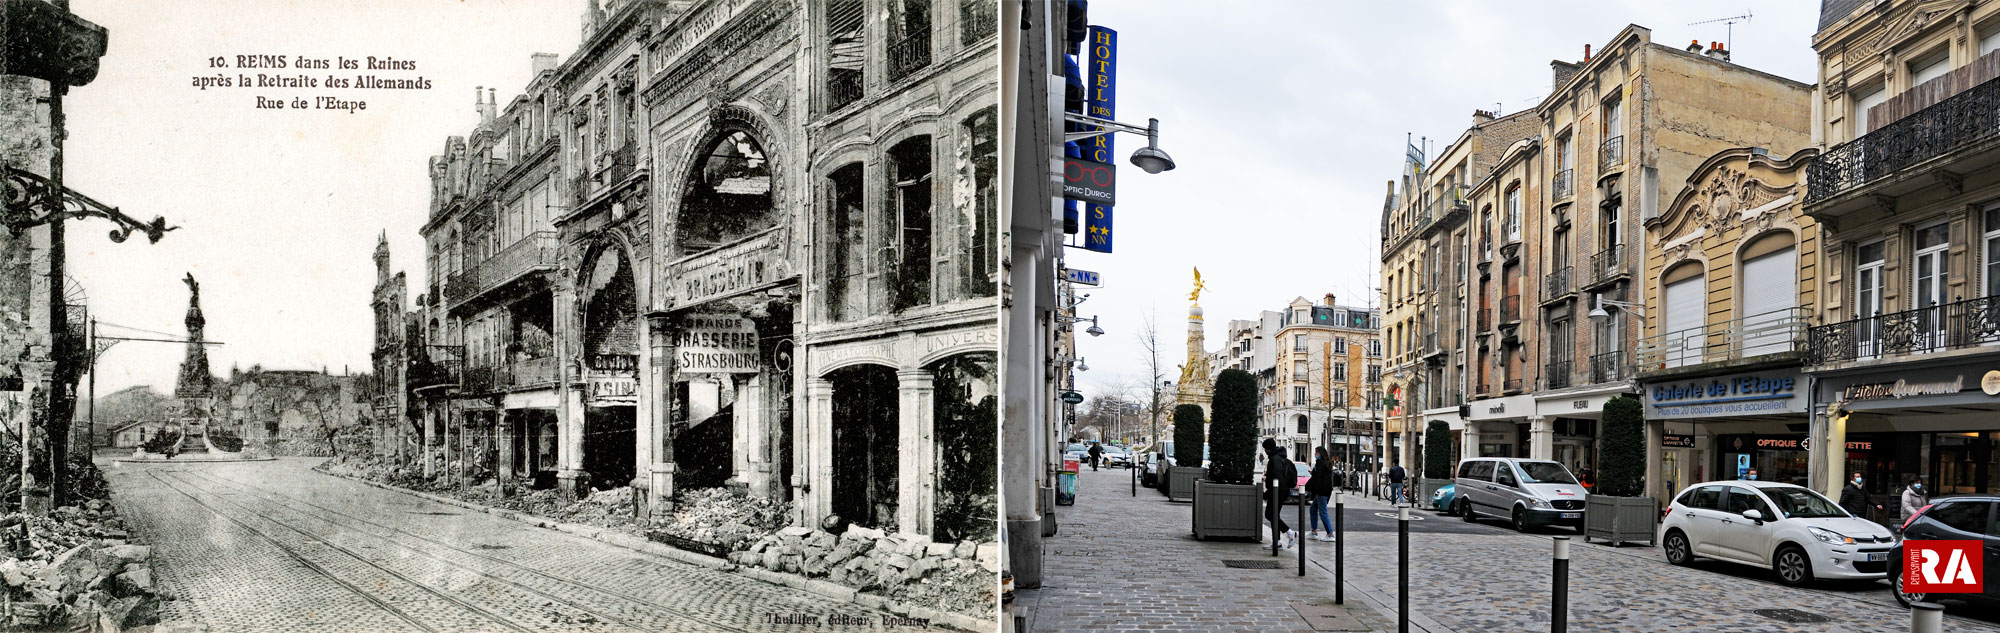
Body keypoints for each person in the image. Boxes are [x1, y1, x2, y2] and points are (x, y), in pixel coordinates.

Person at [1262, 438, 1298, 550]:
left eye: (1265, 449)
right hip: (1279, 491)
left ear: (1268, 448)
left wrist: (1269, 492)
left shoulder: (1275, 459)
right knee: (1274, 516)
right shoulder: (1279, 457)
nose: (1265, 451)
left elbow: (1277, 478)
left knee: (1270, 514)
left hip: (1278, 491)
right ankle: (1276, 542)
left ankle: (1290, 533)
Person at [1305, 447, 1335, 542]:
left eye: (1316, 452)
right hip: (1324, 490)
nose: (1315, 454)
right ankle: (1314, 532)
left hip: (1321, 491)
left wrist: (1313, 474)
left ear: (1321, 453)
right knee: (1313, 509)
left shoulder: (1321, 464)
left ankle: (1330, 534)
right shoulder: (1326, 463)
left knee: (1323, 512)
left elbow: (1318, 477)